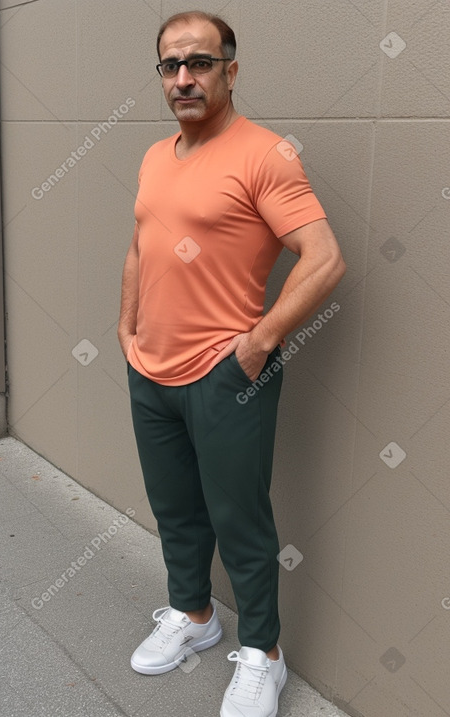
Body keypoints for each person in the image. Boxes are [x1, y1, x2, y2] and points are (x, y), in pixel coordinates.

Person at [118, 10, 346, 717]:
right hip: (148, 370)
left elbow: (325, 259)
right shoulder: (156, 156)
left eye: (200, 62)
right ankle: (193, 615)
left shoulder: (265, 154)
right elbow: (141, 245)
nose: (184, 77)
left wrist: (256, 344)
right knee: (177, 510)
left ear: (230, 70)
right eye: (170, 65)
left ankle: (263, 655)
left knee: (239, 518)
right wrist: (125, 326)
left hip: (225, 380)